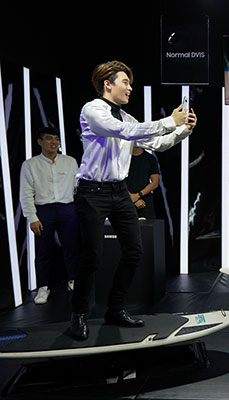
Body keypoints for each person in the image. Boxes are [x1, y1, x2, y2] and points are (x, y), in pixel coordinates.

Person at [70, 60, 196, 340]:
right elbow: (122, 131)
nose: (130, 88)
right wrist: (168, 122)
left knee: (134, 251)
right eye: (125, 82)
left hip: (119, 191)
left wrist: (183, 130)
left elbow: (157, 144)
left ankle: (115, 309)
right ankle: (77, 314)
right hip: (92, 192)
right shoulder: (93, 109)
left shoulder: (127, 118)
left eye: (130, 83)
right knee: (92, 257)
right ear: (108, 84)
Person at [19, 126, 79, 304]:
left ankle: (73, 280)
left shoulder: (70, 162)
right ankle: (43, 287)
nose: (54, 142)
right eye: (49, 138)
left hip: (67, 208)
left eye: (56, 139)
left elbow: (78, 187)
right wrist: (32, 217)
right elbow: (26, 193)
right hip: (43, 210)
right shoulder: (30, 165)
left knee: (72, 246)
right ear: (40, 142)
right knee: (43, 250)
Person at [126, 146, 160, 219]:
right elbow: (117, 180)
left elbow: (155, 183)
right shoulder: (122, 158)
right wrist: (131, 197)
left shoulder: (150, 158)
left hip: (145, 202)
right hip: (125, 201)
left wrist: (138, 195)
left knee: (148, 225)